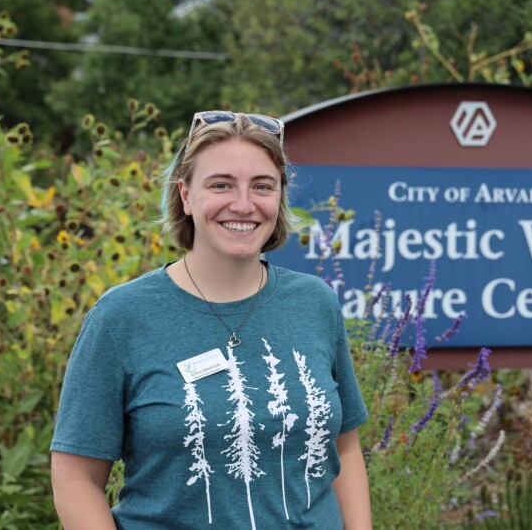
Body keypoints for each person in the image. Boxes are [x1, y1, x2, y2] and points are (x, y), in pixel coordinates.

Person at [50, 111, 372, 530]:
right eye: (221, 185)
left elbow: (344, 449)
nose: (243, 204)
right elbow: (75, 477)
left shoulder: (315, 304)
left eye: (262, 186)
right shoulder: (121, 317)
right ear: (185, 194)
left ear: (280, 197)